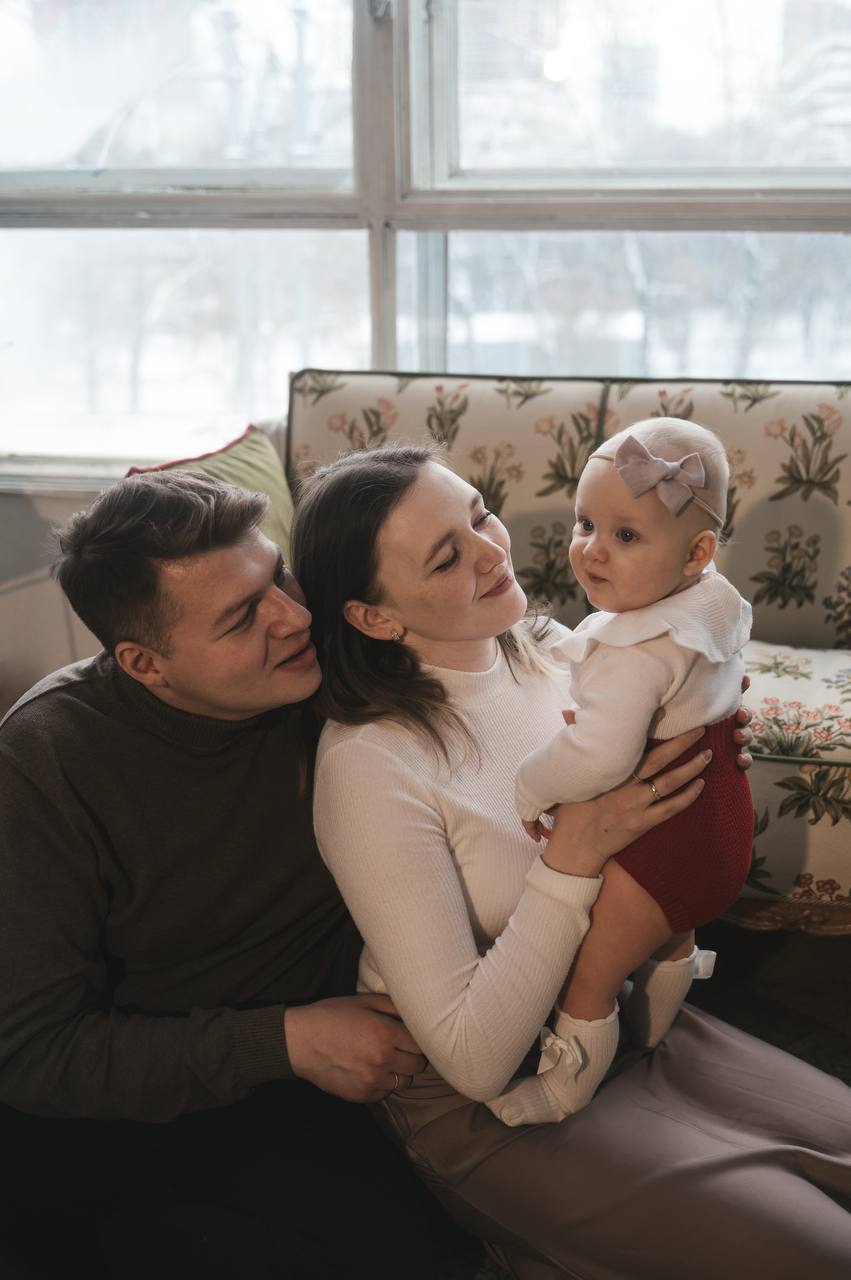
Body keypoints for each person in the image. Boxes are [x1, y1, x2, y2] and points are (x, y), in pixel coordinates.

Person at [292, 444, 851, 1280]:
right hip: (496, 1103)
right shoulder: (371, 765)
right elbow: (472, 1060)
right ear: (374, 618)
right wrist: (572, 855)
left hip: (629, 1014)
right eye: (445, 557)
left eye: (479, 515)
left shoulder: (552, 648)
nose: (490, 550)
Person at [0, 471, 472, 1280]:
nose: (293, 615)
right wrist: (286, 1042)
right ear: (145, 664)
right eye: (241, 616)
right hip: (139, 1097)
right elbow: (33, 1050)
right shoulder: (45, 766)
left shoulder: (331, 652)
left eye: (278, 576)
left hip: (324, 1050)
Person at [487, 418, 754, 1127]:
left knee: (589, 977)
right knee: (671, 930)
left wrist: (531, 786)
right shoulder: (708, 601)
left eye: (626, 535)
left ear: (696, 553)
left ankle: (561, 1093)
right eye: (585, 524)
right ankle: (654, 1031)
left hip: (662, 848)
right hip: (723, 824)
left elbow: (599, 756)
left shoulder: (634, 649)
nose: (592, 550)